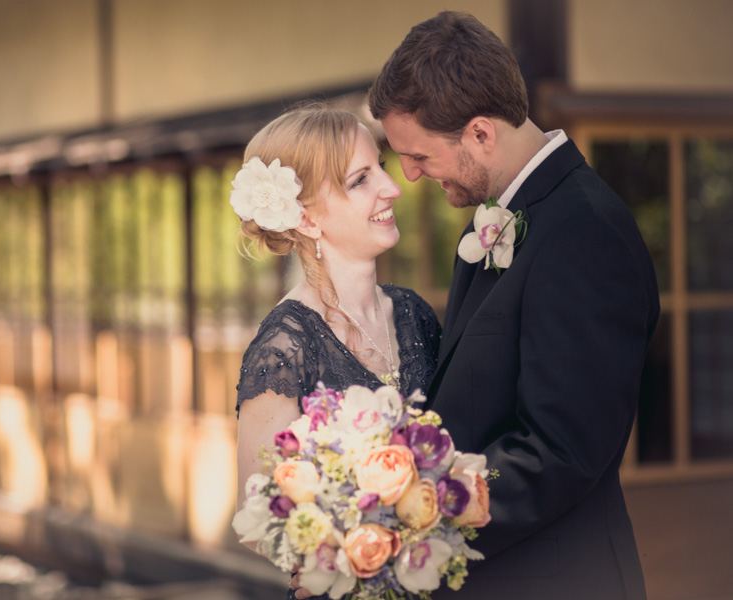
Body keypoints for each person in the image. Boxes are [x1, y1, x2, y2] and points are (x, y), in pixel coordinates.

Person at [356, 10, 659, 600]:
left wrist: (418, 513)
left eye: (417, 156)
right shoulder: (502, 218)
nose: (410, 177)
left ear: (480, 133)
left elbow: (561, 450)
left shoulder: (583, 234)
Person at [231, 105, 441, 597]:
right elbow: (253, 511)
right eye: (360, 180)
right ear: (305, 218)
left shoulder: (415, 315)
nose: (391, 189)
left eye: (382, 170)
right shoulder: (285, 345)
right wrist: (352, 555)